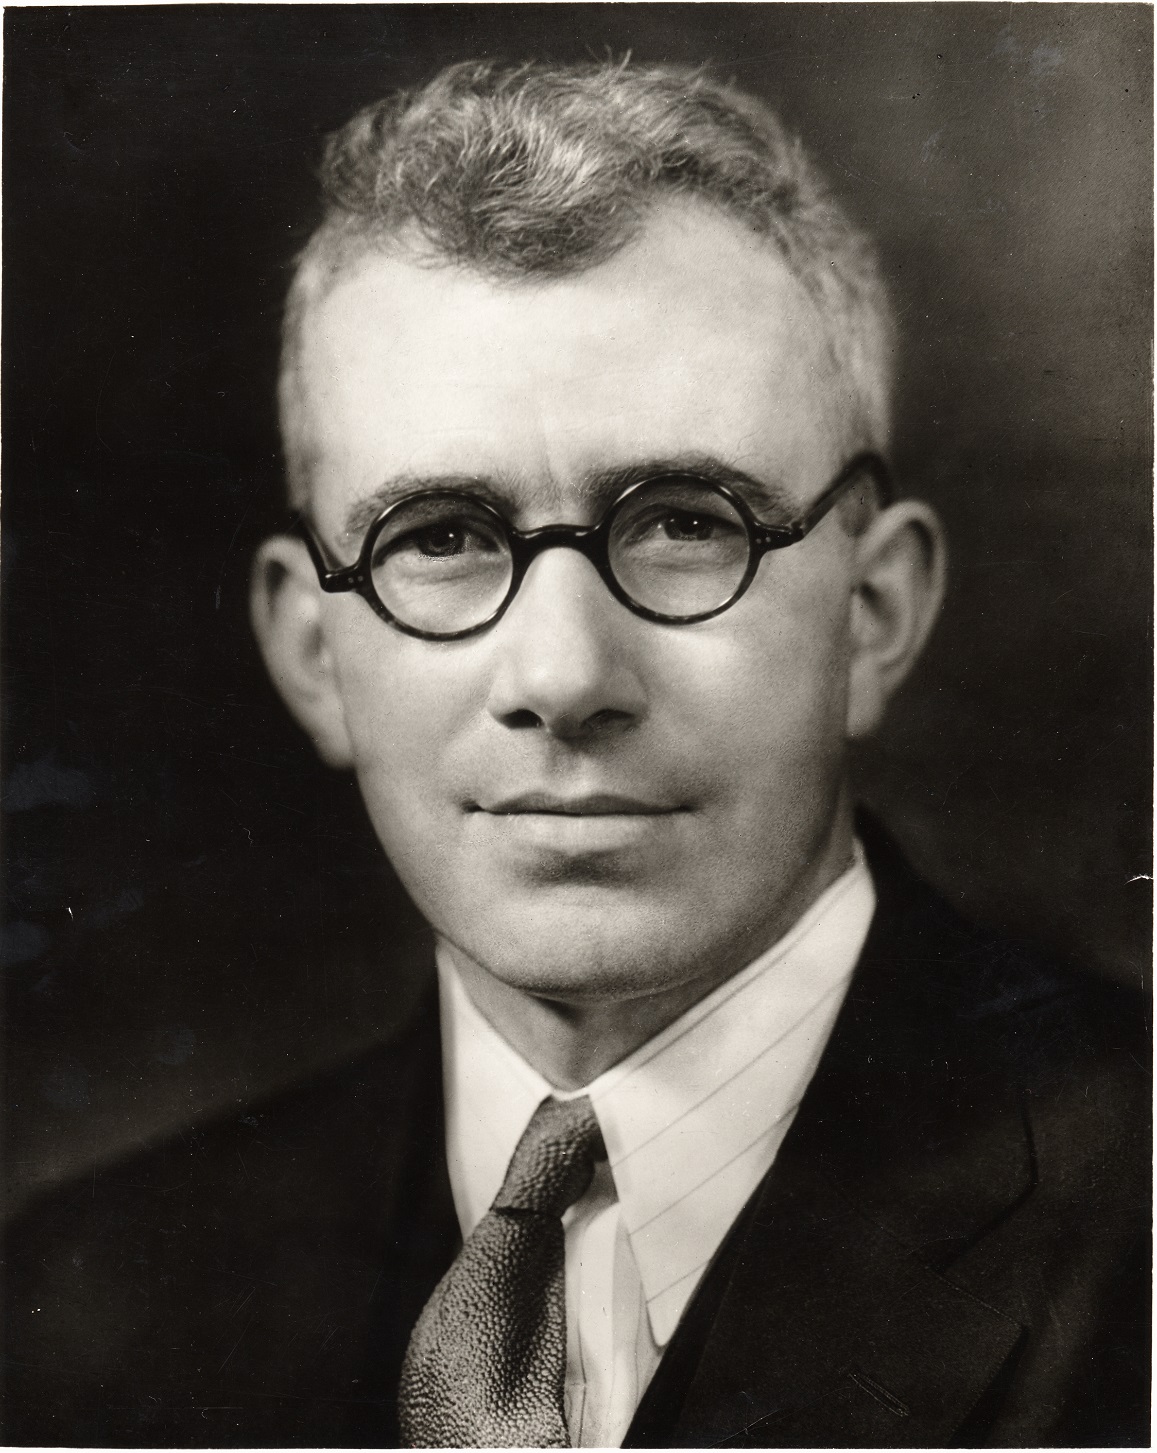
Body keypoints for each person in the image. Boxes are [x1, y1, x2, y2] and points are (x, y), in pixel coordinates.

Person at [3, 60, 1148, 1449]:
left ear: (873, 611)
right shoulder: (81, 1304)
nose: (562, 677)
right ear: (312, 651)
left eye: (684, 524)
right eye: (439, 537)